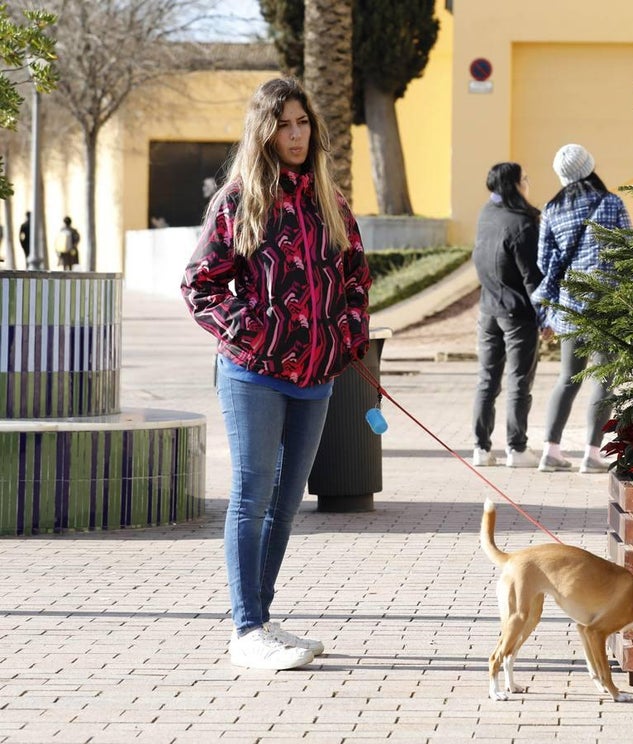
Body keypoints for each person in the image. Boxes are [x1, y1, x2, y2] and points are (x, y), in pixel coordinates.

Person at [180, 77, 372, 671]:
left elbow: (356, 281)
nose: (295, 134)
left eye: (303, 123)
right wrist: (258, 334)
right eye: (284, 124)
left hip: (315, 378)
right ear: (265, 131)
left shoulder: (330, 202)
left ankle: (260, 618)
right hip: (252, 375)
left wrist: (345, 337)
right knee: (252, 496)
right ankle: (245, 629)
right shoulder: (239, 200)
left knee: (287, 502)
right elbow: (199, 285)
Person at [532, 144, 632, 474]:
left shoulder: (551, 208)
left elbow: (544, 262)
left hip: (570, 306)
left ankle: (550, 451)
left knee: (567, 378)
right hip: (606, 302)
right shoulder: (611, 203)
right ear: (590, 167)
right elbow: (627, 248)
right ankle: (592, 453)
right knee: (604, 378)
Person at [471, 162, 544, 468]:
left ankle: (481, 448)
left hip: (488, 307)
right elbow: (531, 277)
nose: (527, 183)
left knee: (487, 380)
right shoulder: (523, 222)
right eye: (524, 179)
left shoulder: (485, 215)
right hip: (517, 313)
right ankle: (517, 449)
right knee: (518, 381)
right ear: (514, 185)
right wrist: (545, 315)